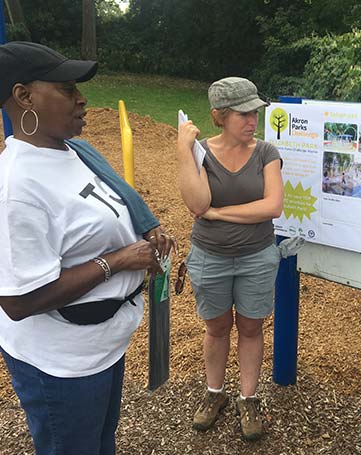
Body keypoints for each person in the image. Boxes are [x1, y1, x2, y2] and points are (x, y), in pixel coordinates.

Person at [0, 41, 175, 455]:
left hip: (101, 346)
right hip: (62, 364)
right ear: (23, 96)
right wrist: (117, 260)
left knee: (99, 443)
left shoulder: (73, 151)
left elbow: (113, 205)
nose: (82, 100)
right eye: (66, 89)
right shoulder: (17, 189)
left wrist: (148, 235)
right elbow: (18, 301)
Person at [177, 77, 283, 440]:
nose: (252, 120)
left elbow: (273, 206)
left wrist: (220, 214)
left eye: (254, 112)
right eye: (243, 114)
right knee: (216, 328)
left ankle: (248, 398)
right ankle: (214, 393)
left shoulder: (266, 152)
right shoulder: (200, 151)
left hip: (257, 257)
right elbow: (196, 204)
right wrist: (182, 148)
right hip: (210, 257)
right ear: (219, 116)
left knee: (251, 328)